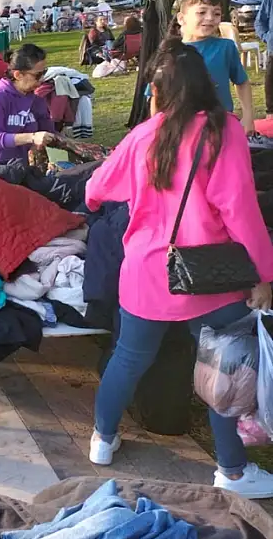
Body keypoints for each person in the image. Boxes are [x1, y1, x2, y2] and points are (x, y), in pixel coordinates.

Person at [84, 39, 273, 498]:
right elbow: (241, 211)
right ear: (206, 84)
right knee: (221, 370)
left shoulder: (142, 135)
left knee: (128, 358)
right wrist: (264, 275)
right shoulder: (222, 131)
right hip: (209, 279)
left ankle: (101, 441)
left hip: (147, 275)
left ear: (158, 92)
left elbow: (95, 189)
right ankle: (231, 471)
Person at [168, 0, 255, 132]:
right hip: (182, 129)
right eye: (201, 12)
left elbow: (242, 82)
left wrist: (248, 116)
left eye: (216, 13)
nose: (209, 18)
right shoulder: (170, 52)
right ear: (181, 18)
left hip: (221, 126)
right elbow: (155, 94)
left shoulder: (225, 47)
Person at [0, 43, 57, 164]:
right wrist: (32, 137)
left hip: (23, 168)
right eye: (37, 75)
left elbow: (49, 132)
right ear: (18, 75)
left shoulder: (37, 100)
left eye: (44, 73)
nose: (41, 80)